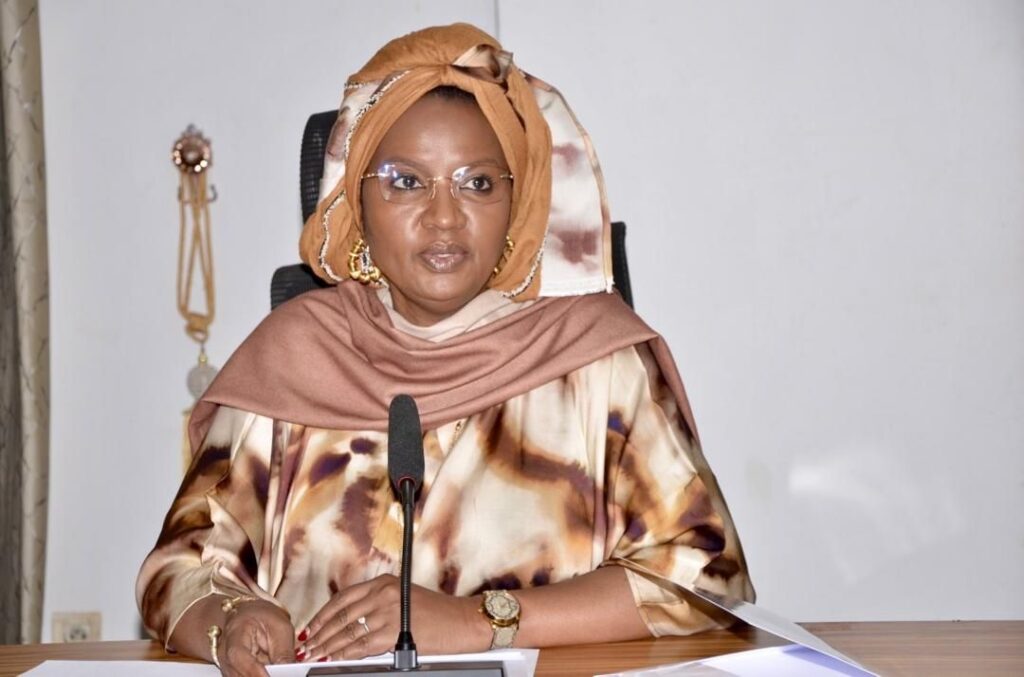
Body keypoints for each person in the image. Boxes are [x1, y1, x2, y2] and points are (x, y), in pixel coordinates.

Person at [136, 23, 754, 676]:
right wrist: (229, 620)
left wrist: (480, 620)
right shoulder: (292, 359)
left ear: (518, 204)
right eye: (405, 182)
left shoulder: (597, 359)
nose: (443, 217)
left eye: (478, 184)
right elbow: (181, 569)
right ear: (358, 202)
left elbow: (704, 577)